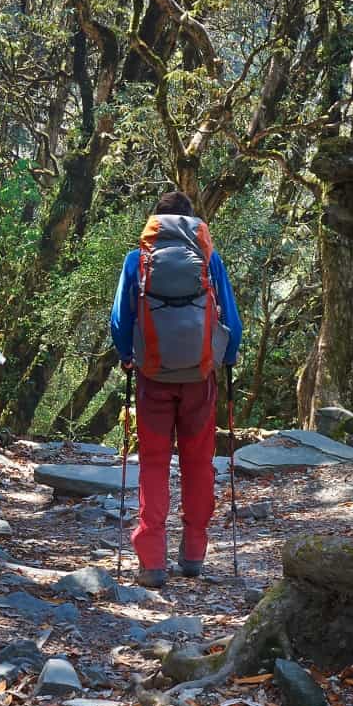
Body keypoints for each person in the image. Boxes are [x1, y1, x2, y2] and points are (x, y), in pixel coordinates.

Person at [108, 189, 243, 588]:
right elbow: (231, 321)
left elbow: (120, 320)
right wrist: (227, 358)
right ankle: (193, 555)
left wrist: (127, 356)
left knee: (153, 464)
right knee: (198, 463)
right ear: (191, 224)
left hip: (152, 376)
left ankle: (151, 562)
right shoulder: (208, 259)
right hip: (200, 379)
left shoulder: (138, 260)